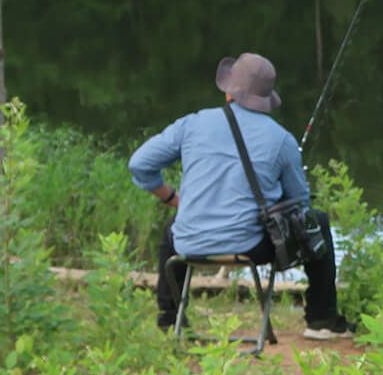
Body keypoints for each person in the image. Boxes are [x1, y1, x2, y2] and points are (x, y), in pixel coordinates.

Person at [128, 52, 355, 340]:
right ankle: (321, 319)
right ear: (265, 98)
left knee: (171, 232)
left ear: (228, 92)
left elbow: (139, 164)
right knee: (316, 221)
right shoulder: (281, 138)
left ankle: (170, 320)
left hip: (189, 243)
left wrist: (171, 198)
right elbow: (300, 205)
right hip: (251, 247)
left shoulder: (192, 124)